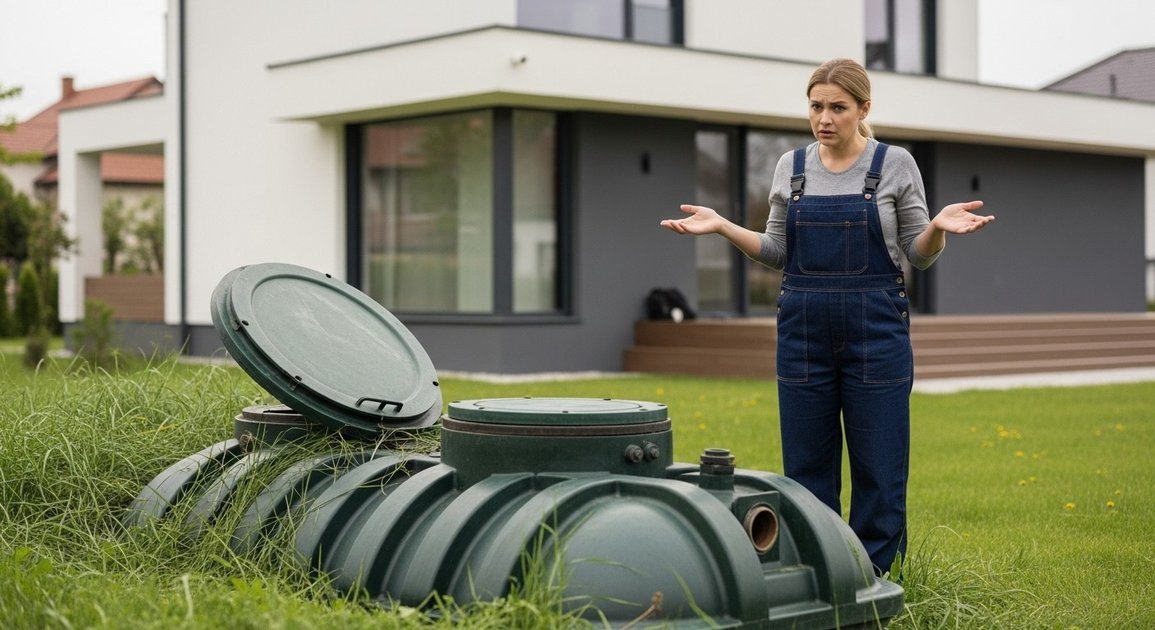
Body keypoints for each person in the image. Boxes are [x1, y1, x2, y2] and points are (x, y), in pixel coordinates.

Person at [660, 58, 994, 576]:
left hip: (876, 332)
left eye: (838, 107)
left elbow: (918, 253)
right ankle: (818, 579)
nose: (825, 118)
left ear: (864, 109)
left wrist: (938, 228)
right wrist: (724, 226)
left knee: (879, 469)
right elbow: (776, 251)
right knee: (806, 471)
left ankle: (875, 584)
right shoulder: (790, 167)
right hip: (803, 334)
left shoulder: (895, 163)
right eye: (816, 106)